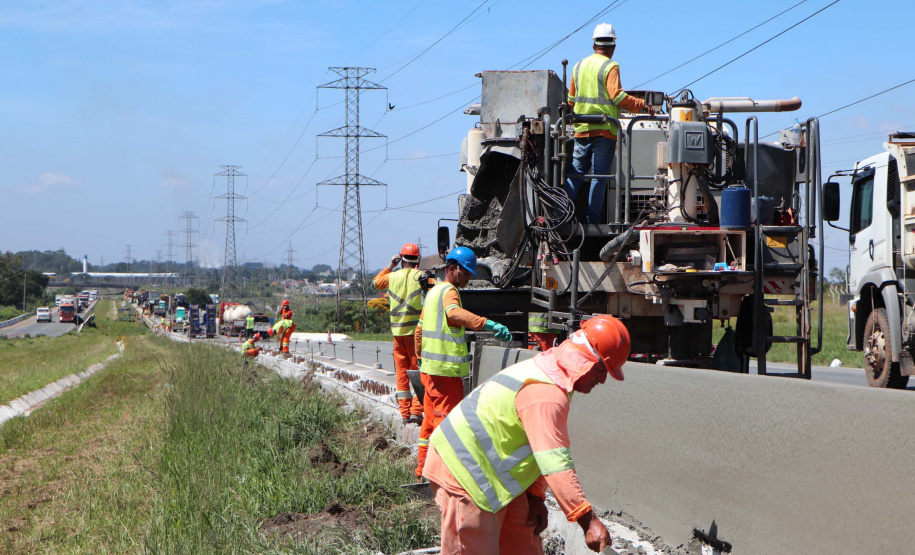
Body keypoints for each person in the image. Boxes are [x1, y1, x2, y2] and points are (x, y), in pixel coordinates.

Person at [423, 315, 631, 554]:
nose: (602, 380)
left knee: (524, 543)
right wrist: (588, 521)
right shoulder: (546, 393)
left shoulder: (555, 371)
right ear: (584, 360)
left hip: (492, 475)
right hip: (463, 470)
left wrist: (535, 495)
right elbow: (555, 462)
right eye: (601, 369)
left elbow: (537, 445)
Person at [414, 246, 512, 478]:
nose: (468, 279)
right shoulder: (449, 291)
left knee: (429, 424)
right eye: (465, 273)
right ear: (452, 268)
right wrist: (487, 324)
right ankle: (441, 476)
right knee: (446, 425)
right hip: (446, 373)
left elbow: (419, 330)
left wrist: (420, 359)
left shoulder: (432, 293)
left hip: (430, 371)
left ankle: (422, 472)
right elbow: (453, 313)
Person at [565, 23, 649, 224]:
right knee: (600, 176)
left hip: (581, 130)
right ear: (613, 46)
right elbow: (617, 97)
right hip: (604, 131)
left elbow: (571, 101)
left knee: (575, 175)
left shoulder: (578, 66)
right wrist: (642, 105)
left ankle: (558, 213)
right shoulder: (611, 66)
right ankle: (592, 220)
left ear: (594, 44)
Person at [372, 243, 425, 425]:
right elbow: (434, 290)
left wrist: (390, 265)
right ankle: (416, 411)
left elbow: (375, 283)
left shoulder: (392, 276)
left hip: (398, 334)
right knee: (418, 371)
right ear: (418, 260)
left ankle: (404, 413)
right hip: (415, 334)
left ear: (402, 259)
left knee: (402, 374)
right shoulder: (422, 276)